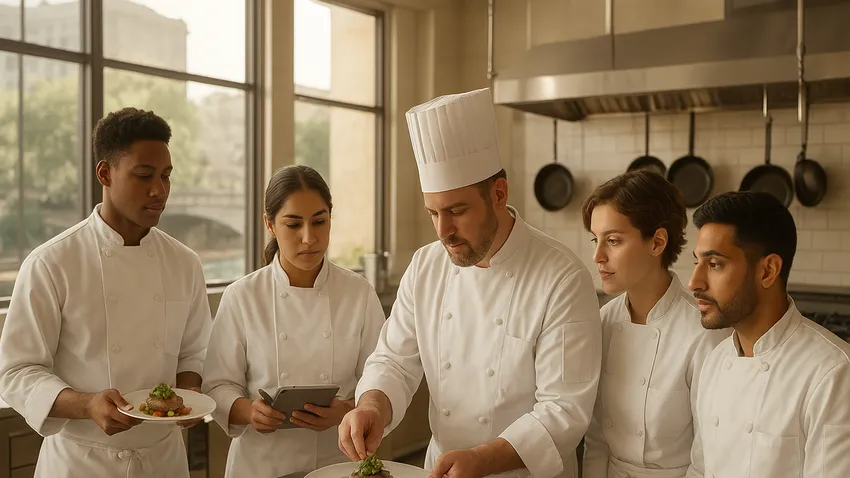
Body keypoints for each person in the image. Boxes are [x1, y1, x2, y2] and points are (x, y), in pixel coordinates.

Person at [338, 87, 603, 478]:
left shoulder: (562, 277)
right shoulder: (425, 267)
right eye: (433, 213)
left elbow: (563, 410)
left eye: (457, 210)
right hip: (442, 469)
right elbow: (394, 360)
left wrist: (482, 459)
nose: (443, 231)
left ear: (498, 194)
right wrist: (372, 406)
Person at [0, 107, 213, 478]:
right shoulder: (52, 262)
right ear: (104, 174)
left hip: (163, 460)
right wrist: (87, 405)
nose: (159, 190)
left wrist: (187, 396)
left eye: (166, 176)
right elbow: (17, 371)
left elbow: (195, 352)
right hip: (81, 462)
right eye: (143, 176)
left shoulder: (184, 262)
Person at [202, 165, 385, 478]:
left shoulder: (358, 293)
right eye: (293, 224)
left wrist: (346, 409)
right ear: (270, 225)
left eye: (319, 221)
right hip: (262, 465)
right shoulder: (243, 296)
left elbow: (381, 374)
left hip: (338, 462)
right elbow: (217, 384)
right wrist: (249, 411)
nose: (309, 238)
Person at [686, 191, 850, 478]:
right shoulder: (714, 360)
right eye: (696, 262)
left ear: (768, 271)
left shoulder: (832, 374)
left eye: (714, 265)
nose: (694, 282)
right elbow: (699, 470)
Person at [579, 171, 728, 478]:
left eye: (613, 241)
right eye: (596, 240)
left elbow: (708, 453)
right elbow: (596, 435)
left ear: (658, 242)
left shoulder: (703, 332)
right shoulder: (604, 321)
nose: (597, 256)